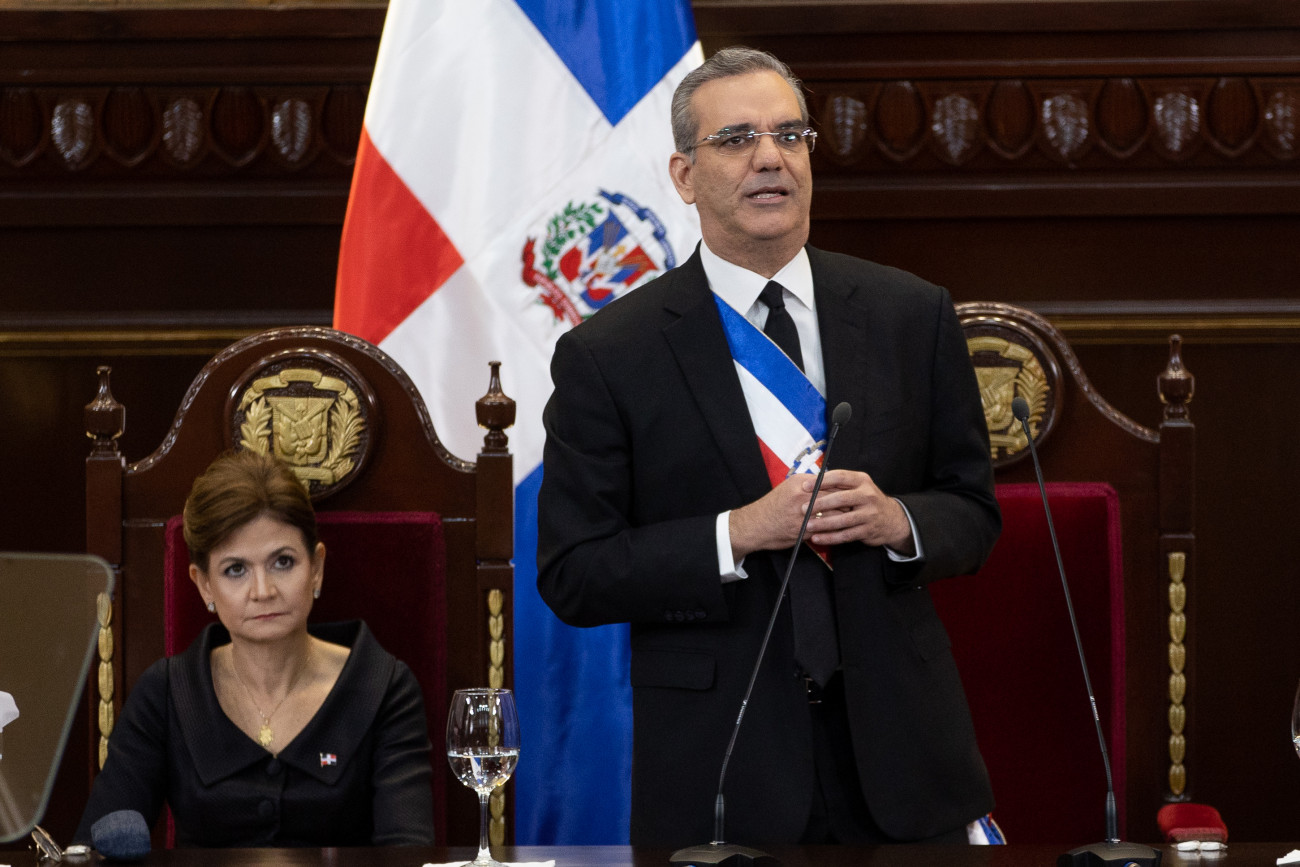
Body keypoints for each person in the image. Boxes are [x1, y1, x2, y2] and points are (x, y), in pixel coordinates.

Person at [536, 46, 1001, 848]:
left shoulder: (909, 313)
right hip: (720, 763)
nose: (769, 158)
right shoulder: (611, 354)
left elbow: (974, 511)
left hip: (903, 756)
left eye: (790, 135)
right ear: (684, 175)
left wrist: (898, 520)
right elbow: (574, 572)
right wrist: (739, 532)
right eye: (737, 138)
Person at [74, 450, 435, 847]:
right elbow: (95, 849)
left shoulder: (384, 688)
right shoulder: (166, 693)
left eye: (283, 562)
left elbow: (407, 853)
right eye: (236, 570)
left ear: (316, 568)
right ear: (204, 585)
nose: (263, 591)